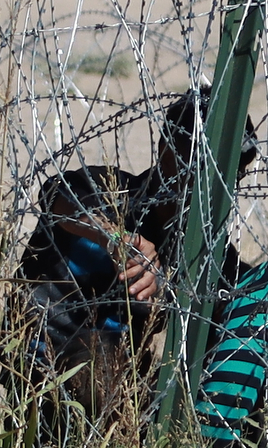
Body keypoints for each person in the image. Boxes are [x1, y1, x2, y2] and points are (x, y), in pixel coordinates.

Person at [19, 90, 251, 430]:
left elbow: (245, 300)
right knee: (98, 359)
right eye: (200, 162)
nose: (213, 181)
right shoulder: (114, 191)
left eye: (231, 171)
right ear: (165, 150)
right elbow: (58, 197)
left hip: (126, 387)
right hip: (38, 362)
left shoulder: (207, 255)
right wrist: (114, 237)